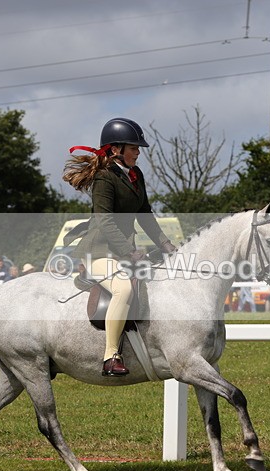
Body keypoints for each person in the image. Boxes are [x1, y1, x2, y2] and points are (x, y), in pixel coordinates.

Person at [64, 117, 178, 377]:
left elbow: (145, 214)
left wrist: (166, 243)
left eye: (138, 149)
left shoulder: (136, 176)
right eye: (134, 148)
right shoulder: (104, 178)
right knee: (123, 289)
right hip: (100, 251)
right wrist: (129, 251)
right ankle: (111, 356)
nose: (138, 153)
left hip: (122, 251)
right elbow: (104, 221)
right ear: (116, 149)